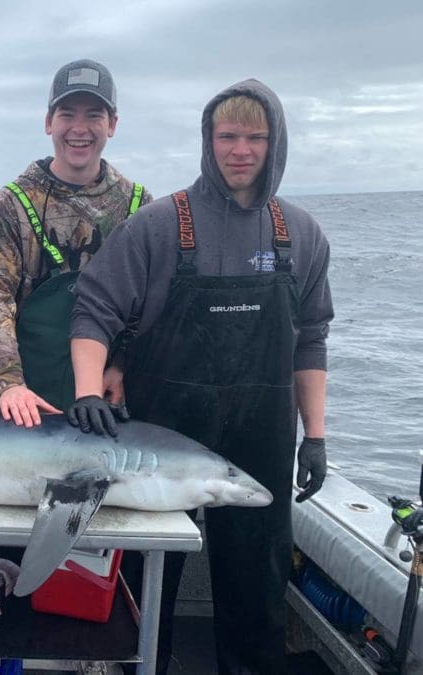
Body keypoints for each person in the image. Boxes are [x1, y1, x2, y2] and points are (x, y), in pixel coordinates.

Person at [69, 78, 333, 673]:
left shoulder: (301, 234)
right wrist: (88, 390)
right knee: (147, 577)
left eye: (256, 137)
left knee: (258, 586)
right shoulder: (160, 225)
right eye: (228, 136)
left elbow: (311, 339)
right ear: (209, 141)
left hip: (261, 440)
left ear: (276, 144)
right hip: (164, 433)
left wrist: (314, 435)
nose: (241, 149)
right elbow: (94, 309)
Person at [0, 58, 150, 428]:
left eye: (94, 115)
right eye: (67, 114)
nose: (79, 128)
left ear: (113, 125)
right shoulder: (12, 204)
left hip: (110, 396)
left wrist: (121, 365)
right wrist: (11, 385)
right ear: (48, 122)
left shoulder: (138, 206)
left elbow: (145, 305)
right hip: (28, 403)